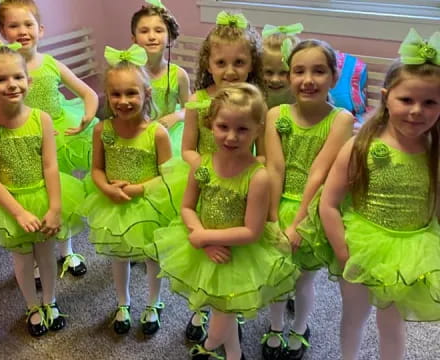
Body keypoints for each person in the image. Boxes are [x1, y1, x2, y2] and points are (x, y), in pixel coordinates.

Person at [149, 83, 298, 360]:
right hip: (207, 247)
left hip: (239, 254)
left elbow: (252, 231)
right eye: (223, 127)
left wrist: (206, 238)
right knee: (222, 308)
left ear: (257, 130)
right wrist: (200, 236)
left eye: (242, 129)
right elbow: (187, 208)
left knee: (220, 320)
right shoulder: (202, 165)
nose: (231, 137)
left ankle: (208, 345)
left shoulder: (258, 176)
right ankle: (234, 355)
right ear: (210, 125)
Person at [318, 28, 440, 360]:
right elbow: (328, 203)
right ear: (386, 97)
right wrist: (344, 254)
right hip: (362, 246)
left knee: (393, 323)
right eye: (407, 100)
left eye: (430, 102)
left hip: (411, 250)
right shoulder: (362, 145)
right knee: (354, 317)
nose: (417, 110)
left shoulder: (435, 150)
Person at [0, 41, 84, 336]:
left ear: (28, 80)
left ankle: (50, 301)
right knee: (23, 259)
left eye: (17, 77)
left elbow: (51, 167)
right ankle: (32, 306)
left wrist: (55, 208)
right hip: (9, 202)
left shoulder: (41, 119)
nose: (12, 84)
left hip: (42, 194)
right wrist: (17, 213)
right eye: (1, 79)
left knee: (45, 253)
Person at [0, 0, 98, 278]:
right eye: (14, 25)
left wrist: (85, 119)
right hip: (22, 143)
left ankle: (66, 251)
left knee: (62, 196)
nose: (22, 31)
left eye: (28, 24)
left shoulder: (51, 64)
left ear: (40, 30)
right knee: (28, 199)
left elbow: (88, 94)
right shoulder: (2, 72)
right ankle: (29, 255)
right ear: (3, 31)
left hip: (59, 138)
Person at [262, 39, 354, 360]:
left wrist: (299, 224)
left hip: (315, 208)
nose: (308, 80)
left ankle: (300, 328)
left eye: (318, 71)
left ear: (333, 76)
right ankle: (274, 327)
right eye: (299, 71)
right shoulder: (275, 114)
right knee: (275, 275)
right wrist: (272, 220)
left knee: (302, 281)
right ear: (289, 77)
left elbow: (319, 173)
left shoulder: (341, 119)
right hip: (276, 204)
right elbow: (274, 167)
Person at [80, 44, 173, 337]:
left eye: (131, 93)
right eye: (115, 94)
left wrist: (136, 189)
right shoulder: (102, 130)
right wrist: (105, 188)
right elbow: (95, 168)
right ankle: (123, 303)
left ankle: (154, 302)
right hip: (113, 203)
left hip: (148, 203)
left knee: (151, 256)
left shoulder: (157, 133)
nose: (123, 100)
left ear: (146, 94)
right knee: (118, 256)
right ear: (107, 96)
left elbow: (167, 175)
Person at [181, 11, 265, 168]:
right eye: (221, 63)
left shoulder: (257, 105)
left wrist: (243, 171)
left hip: (241, 177)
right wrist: (208, 169)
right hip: (204, 176)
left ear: (252, 64)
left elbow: (262, 156)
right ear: (208, 65)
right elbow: (187, 150)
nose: (230, 71)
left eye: (239, 62)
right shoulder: (196, 103)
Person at [131, 0, 191, 158]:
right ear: (134, 39)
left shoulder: (178, 75)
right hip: (138, 133)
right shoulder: (130, 73)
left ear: (169, 37)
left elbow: (189, 108)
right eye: (144, 31)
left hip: (169, 133)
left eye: (158, 30)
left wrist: (176, 116)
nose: (151, 37)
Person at [261, 23, 302, 109]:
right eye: (268, 72)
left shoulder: (302, 95)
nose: (275, 80)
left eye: (283, 72)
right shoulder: (255, 94)